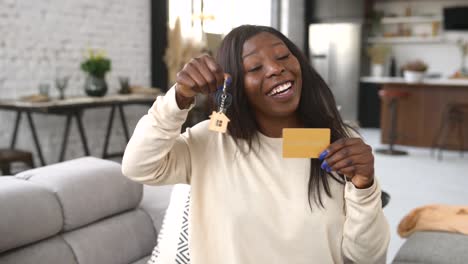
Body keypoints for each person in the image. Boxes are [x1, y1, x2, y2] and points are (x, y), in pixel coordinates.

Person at [122, 25, 390, 264]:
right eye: (254, 67)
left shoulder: (336, 141)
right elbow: (139, 167)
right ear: (233, 85)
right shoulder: (211, 142)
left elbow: (368, 258)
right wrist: (178, 98)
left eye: (283, 56)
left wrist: (364, 186)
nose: (276, 68)